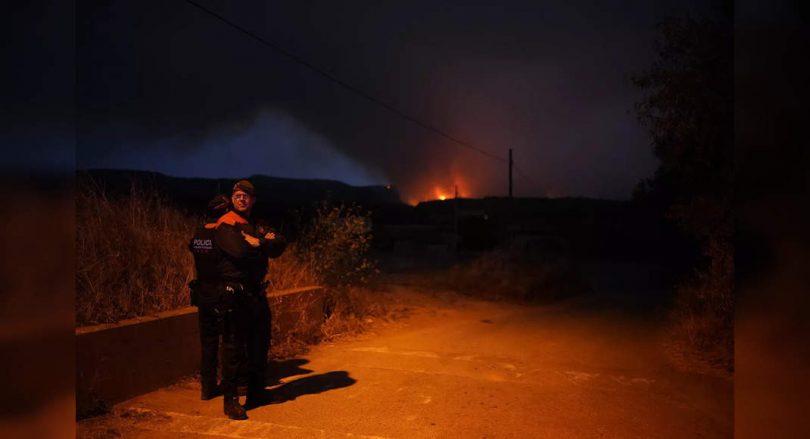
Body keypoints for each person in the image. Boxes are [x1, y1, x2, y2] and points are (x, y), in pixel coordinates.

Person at [213, 179, 287, 420]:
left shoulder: (257, 223)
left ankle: (256, 393)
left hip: (256, 293)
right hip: (234, 293)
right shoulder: (226, 223)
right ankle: (231, 400)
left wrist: (261, 242)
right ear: (232, 198)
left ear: (253, 199)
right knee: (233, 347)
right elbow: (239, 251)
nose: (242, 198)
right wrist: (260, 246)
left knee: (259, 344)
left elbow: (280, 245)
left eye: (246, 195)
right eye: (237, 195)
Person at [187, 194, 231, 401]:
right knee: (230, 340)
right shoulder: (223, 234)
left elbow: (192, 248)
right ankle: (234, 384)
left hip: (202, 293)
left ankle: (208, 386)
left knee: (208, 342)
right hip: (222, 294)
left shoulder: (199, 233)